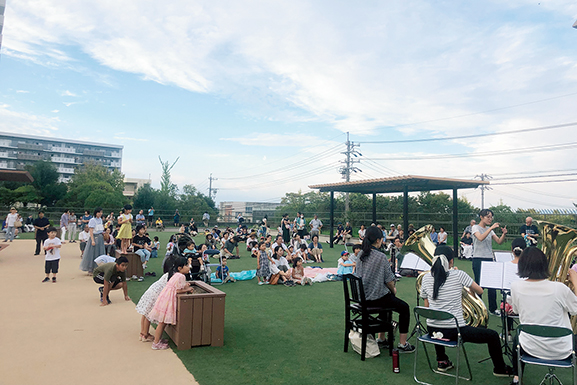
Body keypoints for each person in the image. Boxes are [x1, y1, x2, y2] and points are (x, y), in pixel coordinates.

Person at [420, 245, 514, 376]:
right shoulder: (458, 275)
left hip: (432, 329)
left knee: (439, 320)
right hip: (455, 331)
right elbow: (480, 290)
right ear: (451, 261)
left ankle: (441, 360)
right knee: (492, 336)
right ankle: (500, 368)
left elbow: (427, 306)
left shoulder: (425, 278)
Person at [510, 247, 577, 385]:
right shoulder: (560, 288)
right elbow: (575, 310)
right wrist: (575, 282)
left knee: (518, 336)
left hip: (529, 347)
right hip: (563, 349)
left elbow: (515, 310)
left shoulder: (515, 286)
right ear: (544, 264)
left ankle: (516, 378)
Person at [356, 226, 415, 352]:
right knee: (404, 308)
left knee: (387, 300)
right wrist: (393, 289)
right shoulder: (381, 256)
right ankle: (403, 343)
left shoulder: (360, 254)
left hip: (362, 297)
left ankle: (381, 338)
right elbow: (389, 280)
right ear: (378, 240)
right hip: (375, 297)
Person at [147, 257, 194, 350]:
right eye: (187, 265)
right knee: (162, 322)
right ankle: (156, 343)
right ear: (180, 268)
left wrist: (185, 285)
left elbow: (175, 286)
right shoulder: (181, 276)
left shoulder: (176, 274)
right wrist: (188, 289)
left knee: (162, 322)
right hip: (168, 301)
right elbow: (177, 290)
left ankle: (158, 340)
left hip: (164, 298)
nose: (189, 267)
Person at [472, 209, 507, 316]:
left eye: (491, 217)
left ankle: (493, 309)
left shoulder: (490, 230)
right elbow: (480, 238)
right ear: (481, 217)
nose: (490, 219)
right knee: (479, 285)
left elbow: (499, 242)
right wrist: (491, 228)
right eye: (488, 217)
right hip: (478, 258)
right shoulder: (475, 227)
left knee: (492, 285)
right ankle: (477, 309)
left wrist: (503, 234)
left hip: (489, 258)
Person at [136, 270, 169, 343]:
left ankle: (143, 333)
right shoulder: (173, 275)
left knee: (145, 314)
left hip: (151, 291)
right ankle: (145, 335)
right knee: (149, 315)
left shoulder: (167, 274)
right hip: (155, 295)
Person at [80, 208, 106, 274]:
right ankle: (90, 268)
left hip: (100, 237)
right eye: (99, 212)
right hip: (94, 237)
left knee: (100, 253)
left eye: (101, 212)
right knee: (92, 253)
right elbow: (91, 231)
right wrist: (92, 240)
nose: (100, 214)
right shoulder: (92, 220)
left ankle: (99, 268)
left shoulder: (100, 220)